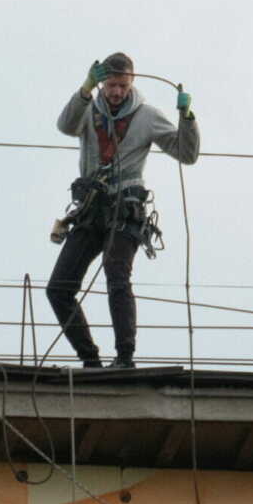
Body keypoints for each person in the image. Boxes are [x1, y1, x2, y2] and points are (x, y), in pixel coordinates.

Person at [48, 53, 200, 369]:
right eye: (111, 85)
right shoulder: (88, 110)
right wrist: (85, 89)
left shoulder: (146, 116)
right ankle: (90, 359)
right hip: (92, 211)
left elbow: (186, 153)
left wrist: (187, 117)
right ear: (102, 83)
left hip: (125, 210)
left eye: (123, 85)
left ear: (132, 83)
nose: (116, 92)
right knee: (58, 288)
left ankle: (125, 357)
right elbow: (65, 126)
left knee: (117, 274)